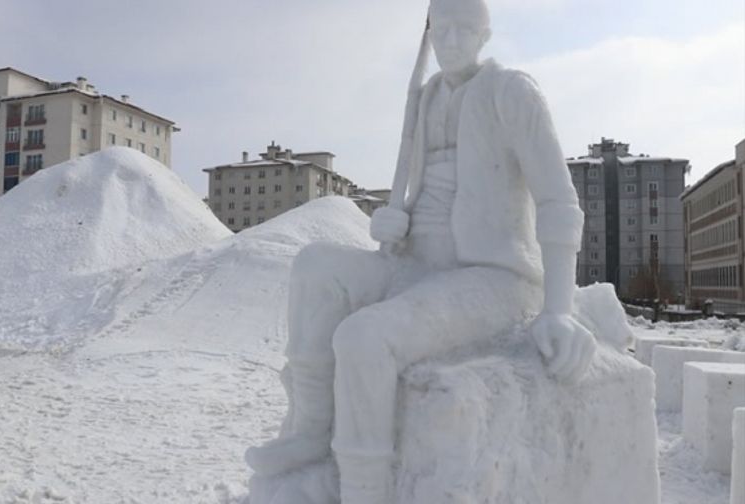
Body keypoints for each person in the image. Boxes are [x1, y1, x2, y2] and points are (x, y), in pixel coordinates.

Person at [247, 0, 597, 502]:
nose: (450, 42)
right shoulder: (426, 97)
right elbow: (423, 193)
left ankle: (364, 486)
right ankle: (311, 428)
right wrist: (397, 219)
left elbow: (559, 201)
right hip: (417, 263)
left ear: (485, 34)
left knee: (364, 337)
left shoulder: (512, 92)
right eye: (442, 30)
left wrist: (559, 308)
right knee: (315, 266)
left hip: (490, 277)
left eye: (464, 30)